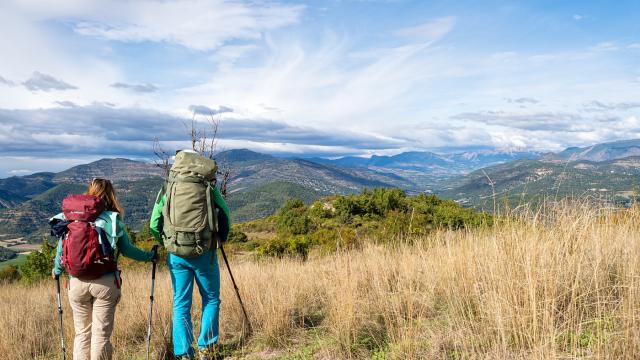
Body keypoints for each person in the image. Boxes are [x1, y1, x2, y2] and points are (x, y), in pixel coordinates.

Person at [51, 178, 156, 360]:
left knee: (82, 333)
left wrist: (57, 270)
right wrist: (150, 257)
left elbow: (61, 249)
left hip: (76, 283)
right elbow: (128, 250)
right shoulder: (112, 219)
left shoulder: (72, 217)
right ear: (111, 194)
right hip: (105, 283)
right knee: (100, 334)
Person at [149, 150, 230, 360]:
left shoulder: (168, 186)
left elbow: (153, 223)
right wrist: (222, 238)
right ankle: (206, 349)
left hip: (176, 253)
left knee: (181, 304)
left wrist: (165, 241)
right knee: (211, 299)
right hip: (205, 251)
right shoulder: (207, 186)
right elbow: (225, 214)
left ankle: (184, 353)